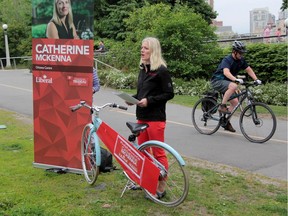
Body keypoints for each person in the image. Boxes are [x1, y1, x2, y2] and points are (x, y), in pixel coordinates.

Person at [126, 37, 174, 199]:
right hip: (142, 117)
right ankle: (147, 181)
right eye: (141, 48)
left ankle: (161, 185)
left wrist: (150, 101)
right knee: (143, 152)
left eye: (145, 48)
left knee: (158, 153)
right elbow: (142, 94)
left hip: (155, 118)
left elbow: (169, 94)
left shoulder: (161, 70)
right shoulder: (143, 69)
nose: (142, 50)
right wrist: (132, 99)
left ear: (153, 50)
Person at [210, 41, 261, 132]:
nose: (241, 54)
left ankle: (226, 122)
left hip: (227, 84)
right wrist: (235, 79)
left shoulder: (241, 60)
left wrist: (256, 79)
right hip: (217, 81)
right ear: (234, 51)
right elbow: (226, 72)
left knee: (235, 103)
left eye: (242, 53)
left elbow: (248, 70)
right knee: (234, 86)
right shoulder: (227, 60)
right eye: (240, 53)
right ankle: (222, 106)